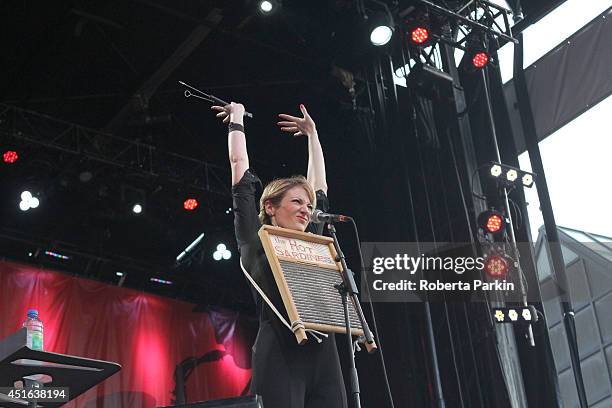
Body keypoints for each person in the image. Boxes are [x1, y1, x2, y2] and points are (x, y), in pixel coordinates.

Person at [211, 102, 347, 408]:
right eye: (297, 202)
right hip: (280, 355)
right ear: (270, 207)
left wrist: (312, 135)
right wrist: (236, 120)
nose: (306, 210)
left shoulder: (315, 242)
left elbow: (319, 186)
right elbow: (238, 166)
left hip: (326, 359)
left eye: (309, 207)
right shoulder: (254, 240)